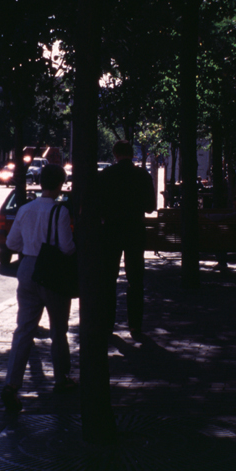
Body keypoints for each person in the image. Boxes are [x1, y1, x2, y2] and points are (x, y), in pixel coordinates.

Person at [1, 163, 76, 412]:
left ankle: (11, 384)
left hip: (27, 268)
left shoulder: (25, 209)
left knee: (24, 329)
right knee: (58, 329)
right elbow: (66, 247)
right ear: (59, 184)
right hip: (52, 271)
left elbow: (12, 243)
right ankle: (62, 378)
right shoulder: (61, 212)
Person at [95, 140, 157, 334]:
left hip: (111, 230)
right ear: (132, 154)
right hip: (134, 229)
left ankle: (107, 323)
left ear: (114, 154)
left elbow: (98, 207)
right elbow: (150, 207)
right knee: (136, 280)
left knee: (108, 279)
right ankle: (135, 324)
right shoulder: (142, 175)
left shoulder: (106, 175)